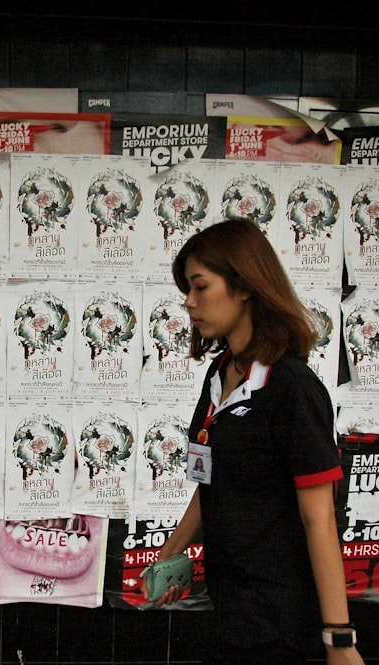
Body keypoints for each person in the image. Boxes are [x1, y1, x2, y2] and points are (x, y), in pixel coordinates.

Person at [144, 217, 365, 665]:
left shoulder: (292, 388)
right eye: (187, 289)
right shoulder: (220, 372)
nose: (188, 302)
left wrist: (339, 639)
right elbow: (211, 484)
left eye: (200, 286)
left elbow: (319, 519)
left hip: (281, 622)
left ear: (244, 286)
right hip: (229, 608)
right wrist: (170, 554)